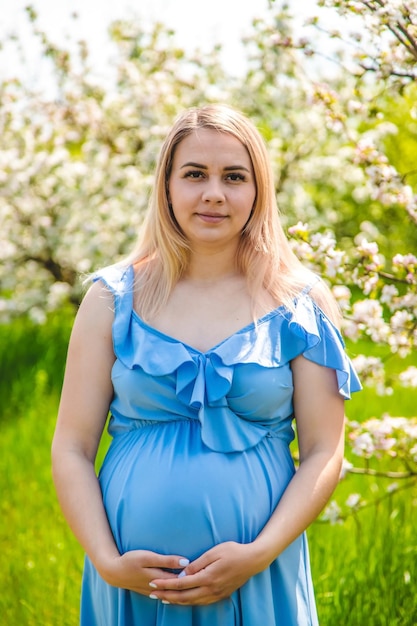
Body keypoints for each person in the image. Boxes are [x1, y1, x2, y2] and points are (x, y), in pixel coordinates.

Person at [52, 103, 361, 626]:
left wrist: (259, 553)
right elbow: (72, 447)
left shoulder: (300, 303)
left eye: (234, 177)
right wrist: (107, 562)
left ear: (258, 189)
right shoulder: (112, 299)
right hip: (132, 582)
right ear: (167, 186)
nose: (214, 193)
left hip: (259, 573)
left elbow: (324, 450)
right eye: (194, 174)